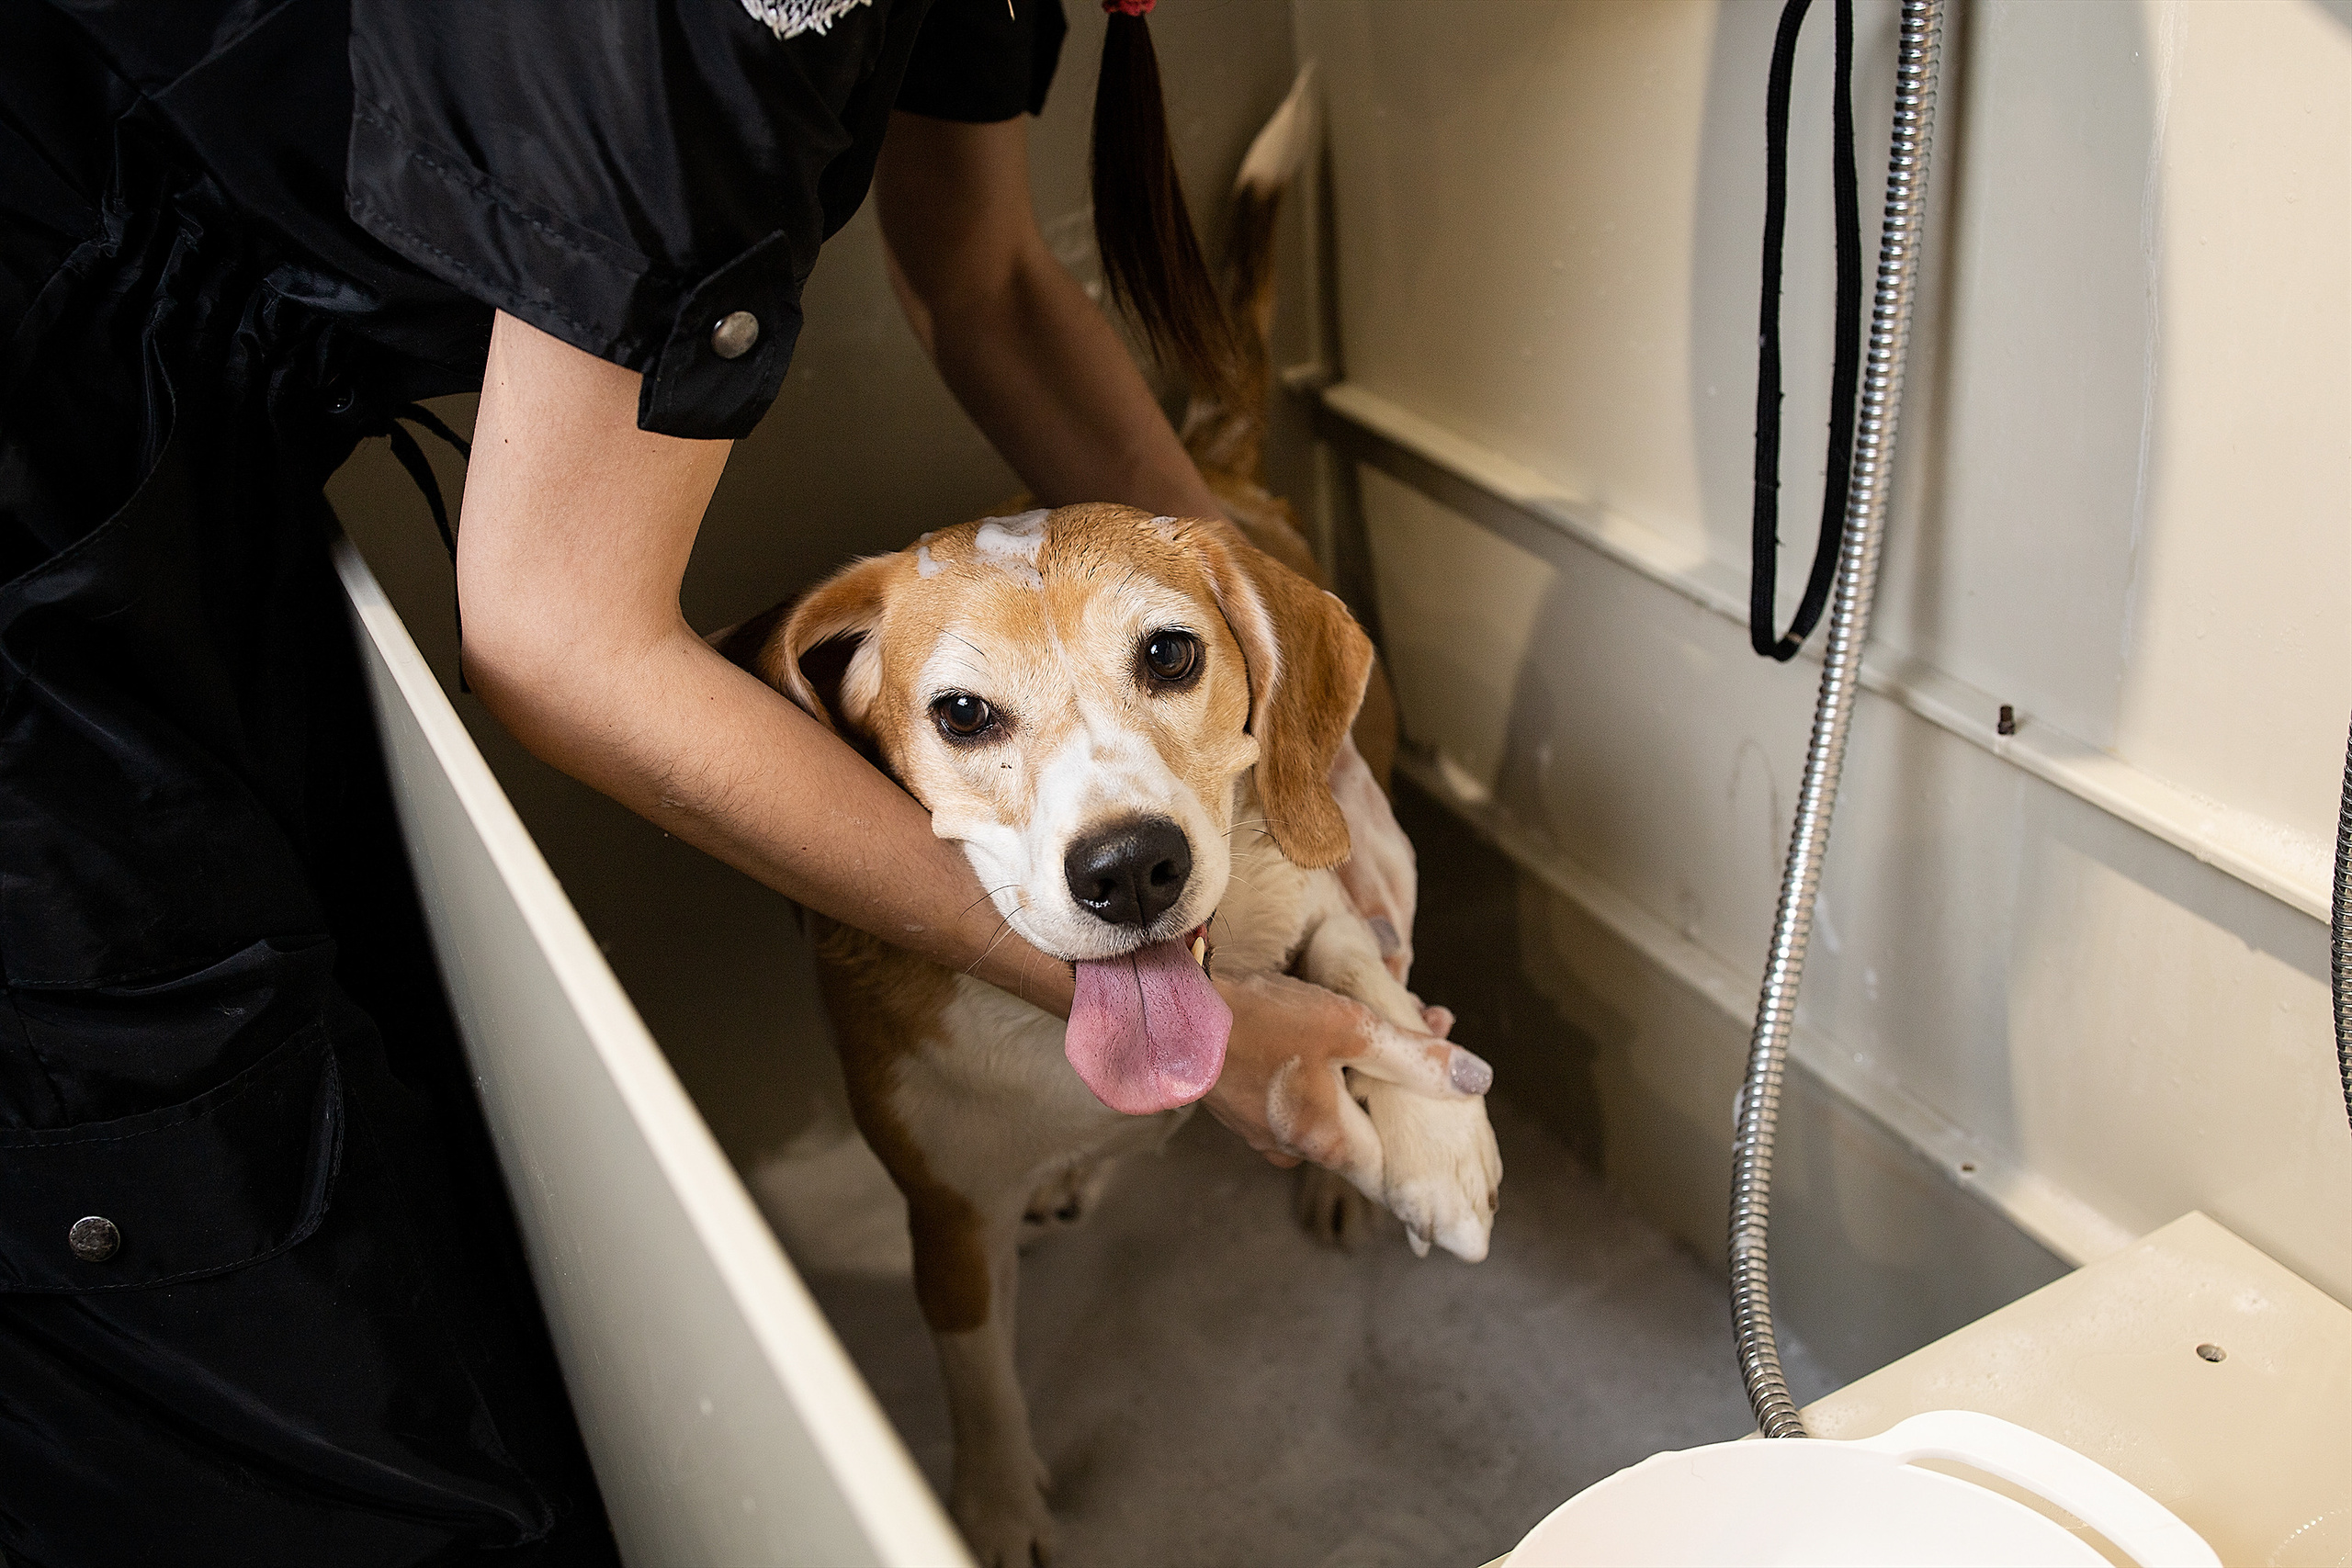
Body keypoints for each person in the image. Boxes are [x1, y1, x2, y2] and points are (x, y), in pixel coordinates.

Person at [0, 1, 1487, 1562]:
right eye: (965, 718)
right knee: (292, 1367)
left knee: (386, 1158)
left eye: (1171, 662)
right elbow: (552, 642)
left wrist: (1305, 722)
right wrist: (1081, 978)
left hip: (210, 445)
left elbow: (983, 278)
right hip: (51, 508)